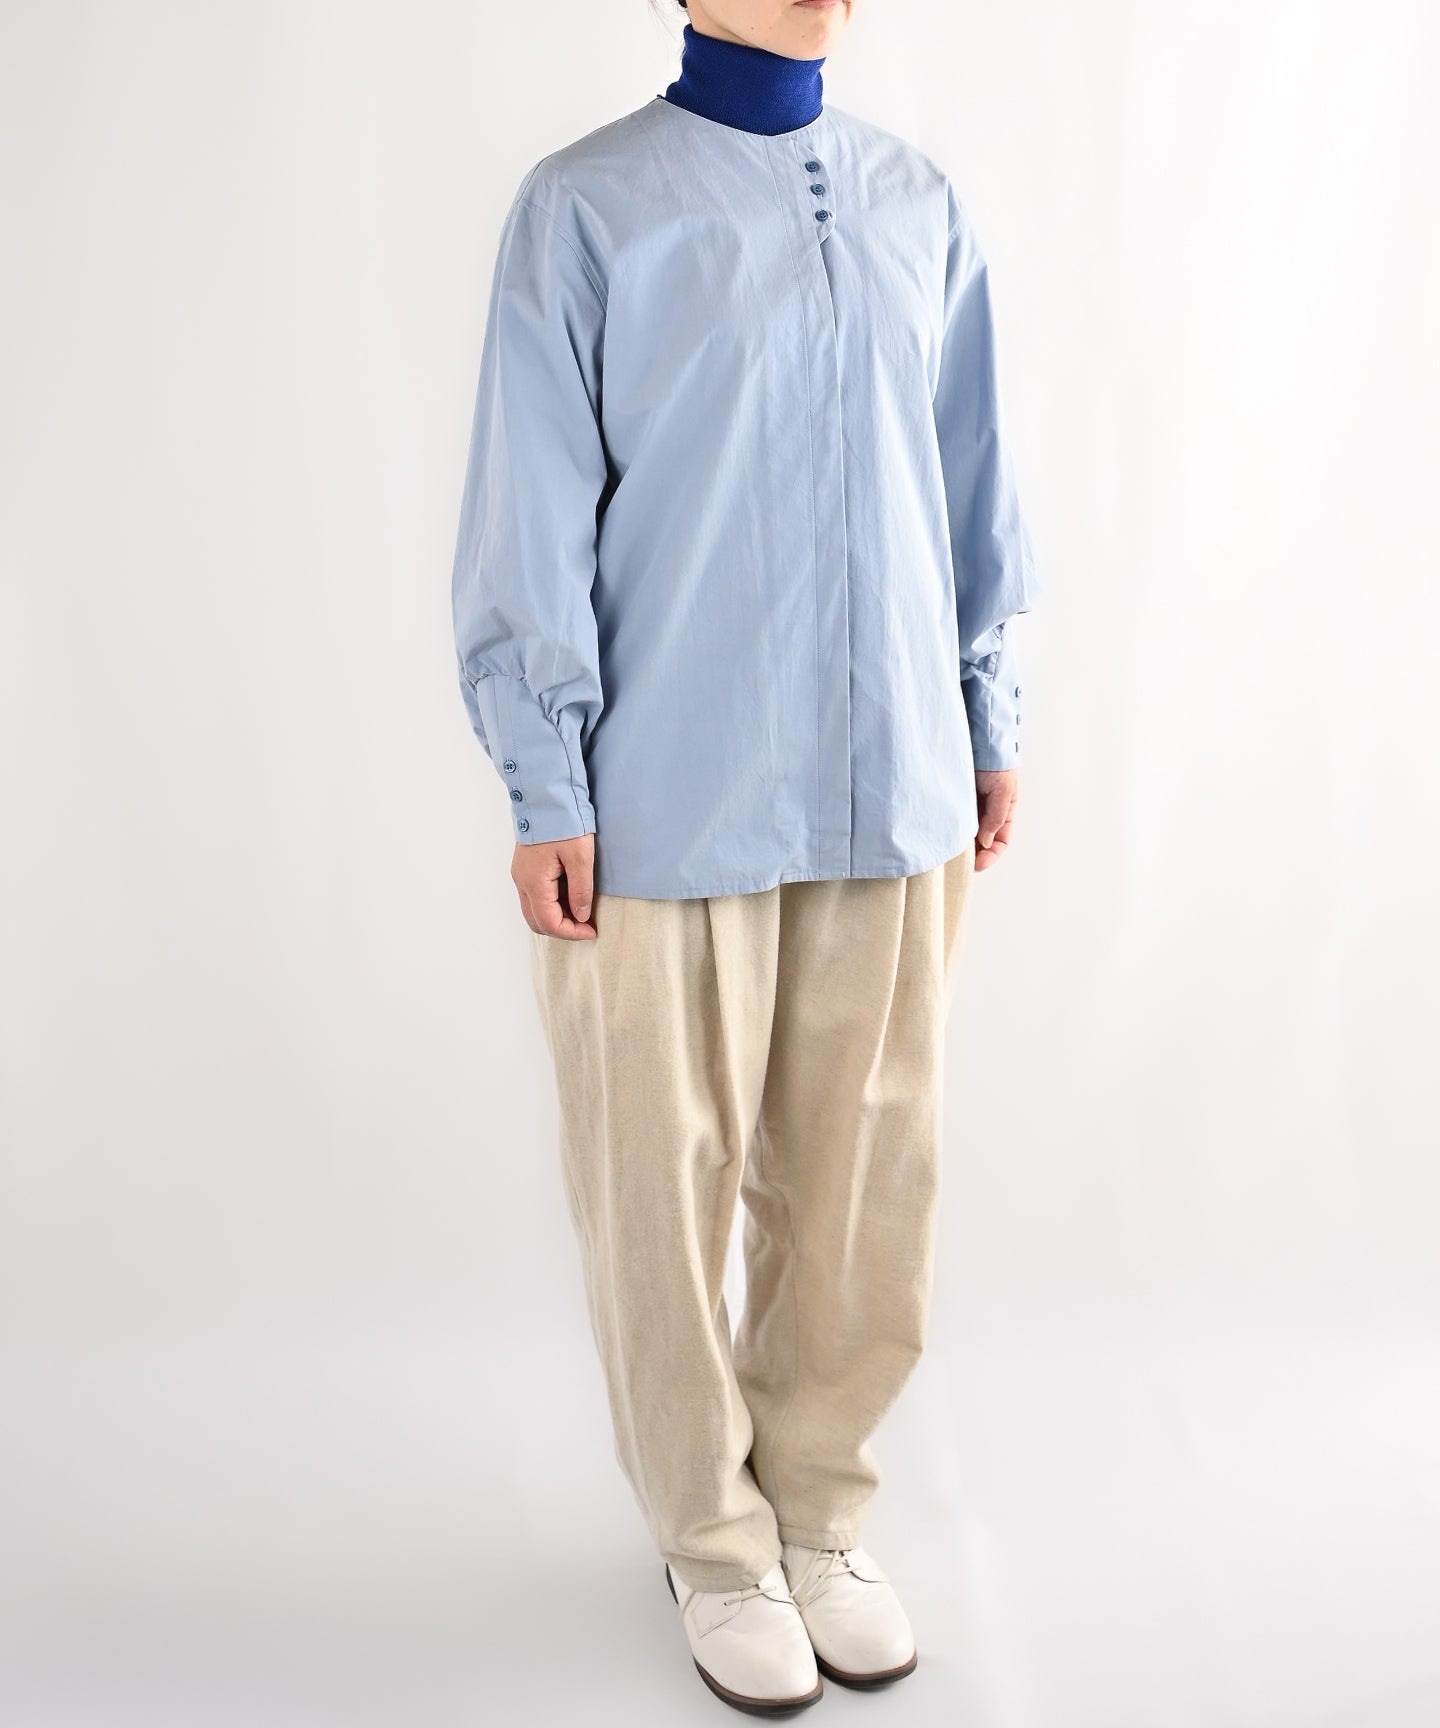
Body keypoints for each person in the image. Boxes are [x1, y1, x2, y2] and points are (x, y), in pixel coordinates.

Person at [450, 0, 1041, 1713]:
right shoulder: (586, 210)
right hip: (666, 799)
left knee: (864, 1182)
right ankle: (713, 1544)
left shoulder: (919, 201)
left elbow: (972, 480)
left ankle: (821, 1513)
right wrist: (545, 780)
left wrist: (986, 712)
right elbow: (528, 510)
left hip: (892, 785)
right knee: (661, 1185)